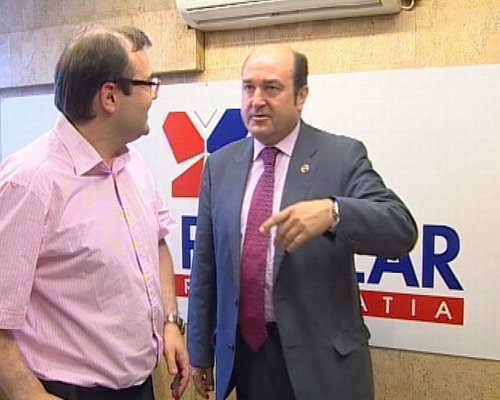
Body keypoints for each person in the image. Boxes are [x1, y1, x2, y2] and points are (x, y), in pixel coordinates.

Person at [187, 44, 418, 400]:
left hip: (323, 365)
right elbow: (205, 264)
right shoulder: (219, 165)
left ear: (301, 96)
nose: (257, 100)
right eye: (248, 87)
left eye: (271, 88)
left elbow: (400, 229)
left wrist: (334, 212)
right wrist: (200, 351)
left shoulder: (341, 156)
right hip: (250, 357)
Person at [0, 25, 190, 400]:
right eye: (148, 84)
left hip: (139, 386)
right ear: (110, 96)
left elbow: (158, 245)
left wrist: (170, 322)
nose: (154, 96)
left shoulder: (134, 166)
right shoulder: (29, 182)